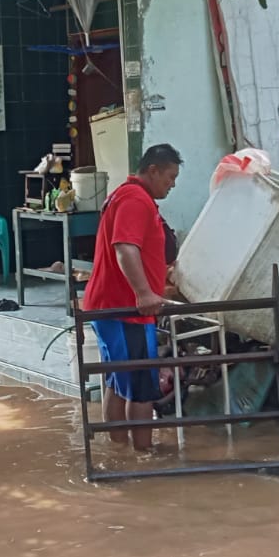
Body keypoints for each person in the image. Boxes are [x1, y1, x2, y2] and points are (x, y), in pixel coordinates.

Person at [81, 143, 181, 451]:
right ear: (153, 171)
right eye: (169, 177)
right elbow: (125, 248)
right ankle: (143, 456)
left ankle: (119, 453)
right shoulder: (135, 199)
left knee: (117, 382)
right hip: (125, 309)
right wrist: (143, 294)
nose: (172, 185)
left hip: (113, 306)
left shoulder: (126, 195)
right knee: (141, 388)